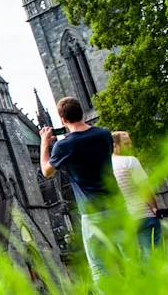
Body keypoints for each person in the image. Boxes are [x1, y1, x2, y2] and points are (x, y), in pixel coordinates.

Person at [41, 97, 119, 283]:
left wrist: (45, 143)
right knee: (130, 255)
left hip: (93, 212)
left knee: (99, 266)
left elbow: (46, 172)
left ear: (63, 120)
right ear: (82, 112)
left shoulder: (64, 146)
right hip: (117, 205)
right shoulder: (104, 134)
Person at [111, 131, 160, 256]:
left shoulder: (106, 168)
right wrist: (155, 208)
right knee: (153, 256)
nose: (130, 147)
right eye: (126, 144)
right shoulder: (130, 161)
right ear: (115, 146)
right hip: (144, 215)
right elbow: (144, 188)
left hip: (123, 221)